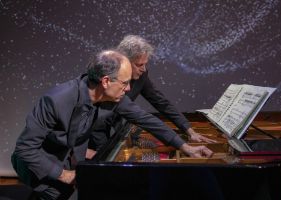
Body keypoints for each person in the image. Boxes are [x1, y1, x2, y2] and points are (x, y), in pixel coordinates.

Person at [11, 49, 213, 200]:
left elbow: (146, 119)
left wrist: (185, 147)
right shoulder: (56, 100)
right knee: (57, 194)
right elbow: (25, 149)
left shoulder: (113, 98)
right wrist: (64, 175)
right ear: (106, 81)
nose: (128, 89)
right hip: (39, 162)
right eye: (124, 83)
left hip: (69, 157)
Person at [88, 35, 216, 158]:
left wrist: (188, 130)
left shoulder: (141, 75)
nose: (144, 69)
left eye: (145, 64)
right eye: (139, 65)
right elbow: (139, 116)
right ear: (125, 62)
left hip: (115, 130)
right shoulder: (109, 78)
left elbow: (161, 102)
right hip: (92, 133)